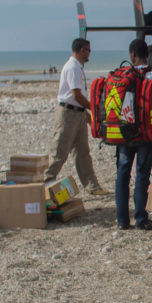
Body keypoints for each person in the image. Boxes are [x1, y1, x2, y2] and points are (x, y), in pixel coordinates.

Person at [44, 38, 109, 196]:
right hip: (68, 114)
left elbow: (77, 98)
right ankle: (45, 183)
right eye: (89, 51)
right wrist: (94, 109)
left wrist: (86, 116)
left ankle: (92, 186)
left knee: (82, 152)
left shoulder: (77, 67)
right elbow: (76, 95)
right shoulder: (73, 67)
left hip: (77, 113)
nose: (89, 54)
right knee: (60, 151)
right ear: (82, 50)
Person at [115, 39, 152, 231]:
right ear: (147, 55)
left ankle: (122, 220)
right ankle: (141, 219)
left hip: (125, 131)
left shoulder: (123, 74)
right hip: (146, 133)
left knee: (122, 173)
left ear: (132, 54)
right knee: (142, 174)